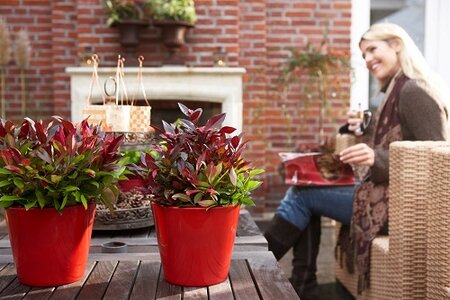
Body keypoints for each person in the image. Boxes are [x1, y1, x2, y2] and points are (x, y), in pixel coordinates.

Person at [264, 23, 449, 299]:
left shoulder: (415, 90)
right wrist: (358, 129)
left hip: (402, 209)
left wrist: (377, 157)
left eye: (373, 49)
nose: (367, 60)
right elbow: (397, 138)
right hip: (384, 195)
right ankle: (302, 285)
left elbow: (439, 158)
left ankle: (259, 265)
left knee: (302, 195)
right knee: (304, 188)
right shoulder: (395, 90)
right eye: (363, 55)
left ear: (397, 44)